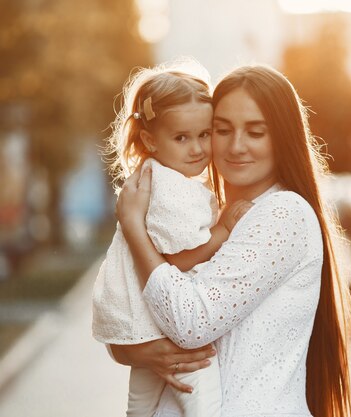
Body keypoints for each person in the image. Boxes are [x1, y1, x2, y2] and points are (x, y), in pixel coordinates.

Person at [112, 64, 351, 417]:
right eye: (221, 130)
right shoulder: (205, 218)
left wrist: (134, 227)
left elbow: (191, 322)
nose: (236, 146)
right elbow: (130, 307)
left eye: (256, 132)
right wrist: (132, 351)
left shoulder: (282, 214)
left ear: (282, 138)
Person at [93, 61, 251, 417]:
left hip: (138, 324)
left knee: (140, 407)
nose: (197, 149)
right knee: (204, 399)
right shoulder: (170, 188)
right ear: (150, 140)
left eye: (205, 134)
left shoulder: (155, 176)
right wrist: (222, 232)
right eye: (182, 138)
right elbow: (176, 261)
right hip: (158, 320)